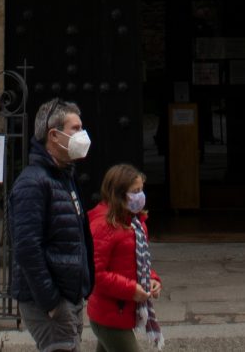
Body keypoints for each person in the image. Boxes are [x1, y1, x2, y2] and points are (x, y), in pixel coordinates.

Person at [9, 99, 93, 352]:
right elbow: (26, 249)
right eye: (75, 129)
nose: (82, 135)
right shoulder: (33, 183)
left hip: (69, 296)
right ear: (54, 136)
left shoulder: (63, 177)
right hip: (51, 304)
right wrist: (52, 303)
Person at [84, 163, 161, 352]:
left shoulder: (136, 223)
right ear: (119, 194)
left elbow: (137, 261)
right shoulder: (103, 226)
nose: (140, 196)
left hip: (121, 312)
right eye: (135, 191)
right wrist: (131, 289)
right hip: (110, 314)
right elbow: (95, 273)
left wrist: (152, 278)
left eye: (141, 190)